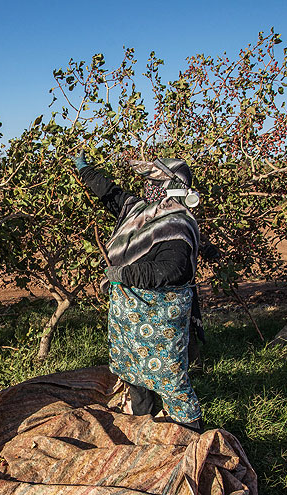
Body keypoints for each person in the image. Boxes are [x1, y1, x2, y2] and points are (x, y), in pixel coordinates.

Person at [74, 154, 204, 432]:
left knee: (171, 380)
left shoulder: (177, 223)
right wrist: (85, 171)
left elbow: (173, 269)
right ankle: (145, 426)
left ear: (174, 186)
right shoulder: (140, 211)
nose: (148, 187)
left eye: (154, 182)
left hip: (159, 322)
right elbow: (112, 195)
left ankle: (193, 436)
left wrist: (124, 274)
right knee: (134, 375)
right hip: (129, 321)